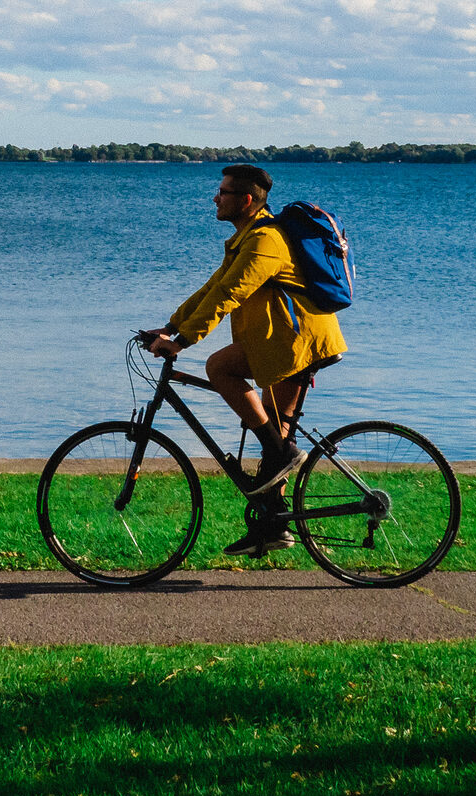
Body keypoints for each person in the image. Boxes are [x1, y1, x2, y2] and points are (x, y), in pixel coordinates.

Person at [144, 163, 348, 555]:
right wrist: (170, 326)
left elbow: (230, 294)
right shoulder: (247, 236)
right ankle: (275, 526)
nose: (215, 198)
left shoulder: (266, 240)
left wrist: (184, 340)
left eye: (223, 192)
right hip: (277, 341)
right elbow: (214, 286)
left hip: (297, 342)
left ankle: (281, 456)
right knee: (275, 438)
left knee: (220, 368)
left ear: (247, 200)